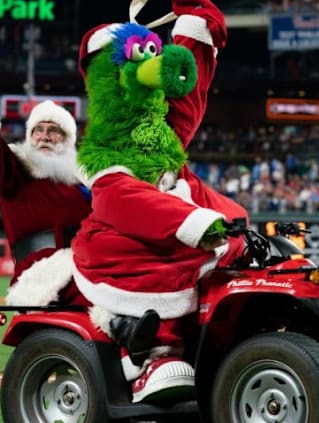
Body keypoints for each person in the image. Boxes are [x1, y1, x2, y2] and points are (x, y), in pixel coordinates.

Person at [73, 0, 247, 403]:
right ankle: (149, 355)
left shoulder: (162, 136)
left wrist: (194, 18)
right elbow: (128, 203)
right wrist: (196, 223)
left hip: (178, 212)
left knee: (234, 222)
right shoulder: (111, 164)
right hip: (126, 244)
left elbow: (191, 93)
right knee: (155, 265)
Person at [0, 57, 92, 306]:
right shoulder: (16, 171)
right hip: (43, 280)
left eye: (53, 130)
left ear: (67, 139)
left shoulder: (84, 182)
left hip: (89, 270)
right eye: (37, 130)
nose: (44, 136)